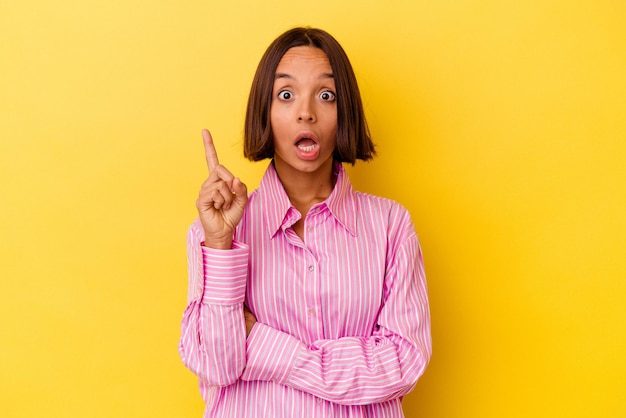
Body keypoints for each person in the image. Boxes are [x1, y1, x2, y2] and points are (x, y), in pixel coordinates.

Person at [179, 27, 431, 417]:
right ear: (264, 111)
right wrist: (221, 246)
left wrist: (265, 347)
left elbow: (403, 362)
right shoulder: (213, 234)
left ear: (344, 111)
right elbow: (217, 365)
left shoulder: (390, 226)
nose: (306, 111)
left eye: (326, 95)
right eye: (286, 94)